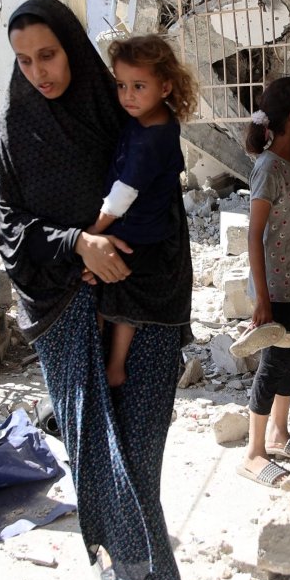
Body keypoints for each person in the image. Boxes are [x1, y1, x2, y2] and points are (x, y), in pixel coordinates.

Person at [0, 0, 192, 580]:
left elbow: (163, 197)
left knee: (137, 446)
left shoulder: (119, 107)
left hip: (144, 296)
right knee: (96, 451)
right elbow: (8, 226)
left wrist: (121, 258)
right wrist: (78, 244)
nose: (39, 71)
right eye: (24, 60)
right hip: (63, 302)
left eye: (48, 54)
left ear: (72, 49)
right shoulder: (16, 128)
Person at [87, 35, 198, 389]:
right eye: (121, 85)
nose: (127, 96)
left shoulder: (153, 138)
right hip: (144, 224)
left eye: (138, 86)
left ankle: (115, 366)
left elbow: (123, 195)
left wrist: (94, 231)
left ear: (165, 86)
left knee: (121, 298)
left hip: (141, 232)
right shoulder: (154, 118)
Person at [236, 76, 290, 488]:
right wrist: (261, 300)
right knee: (273, 365)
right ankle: (252, 452)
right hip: (275, 286)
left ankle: (279, 433)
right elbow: (255, 235)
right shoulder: (268, 168)